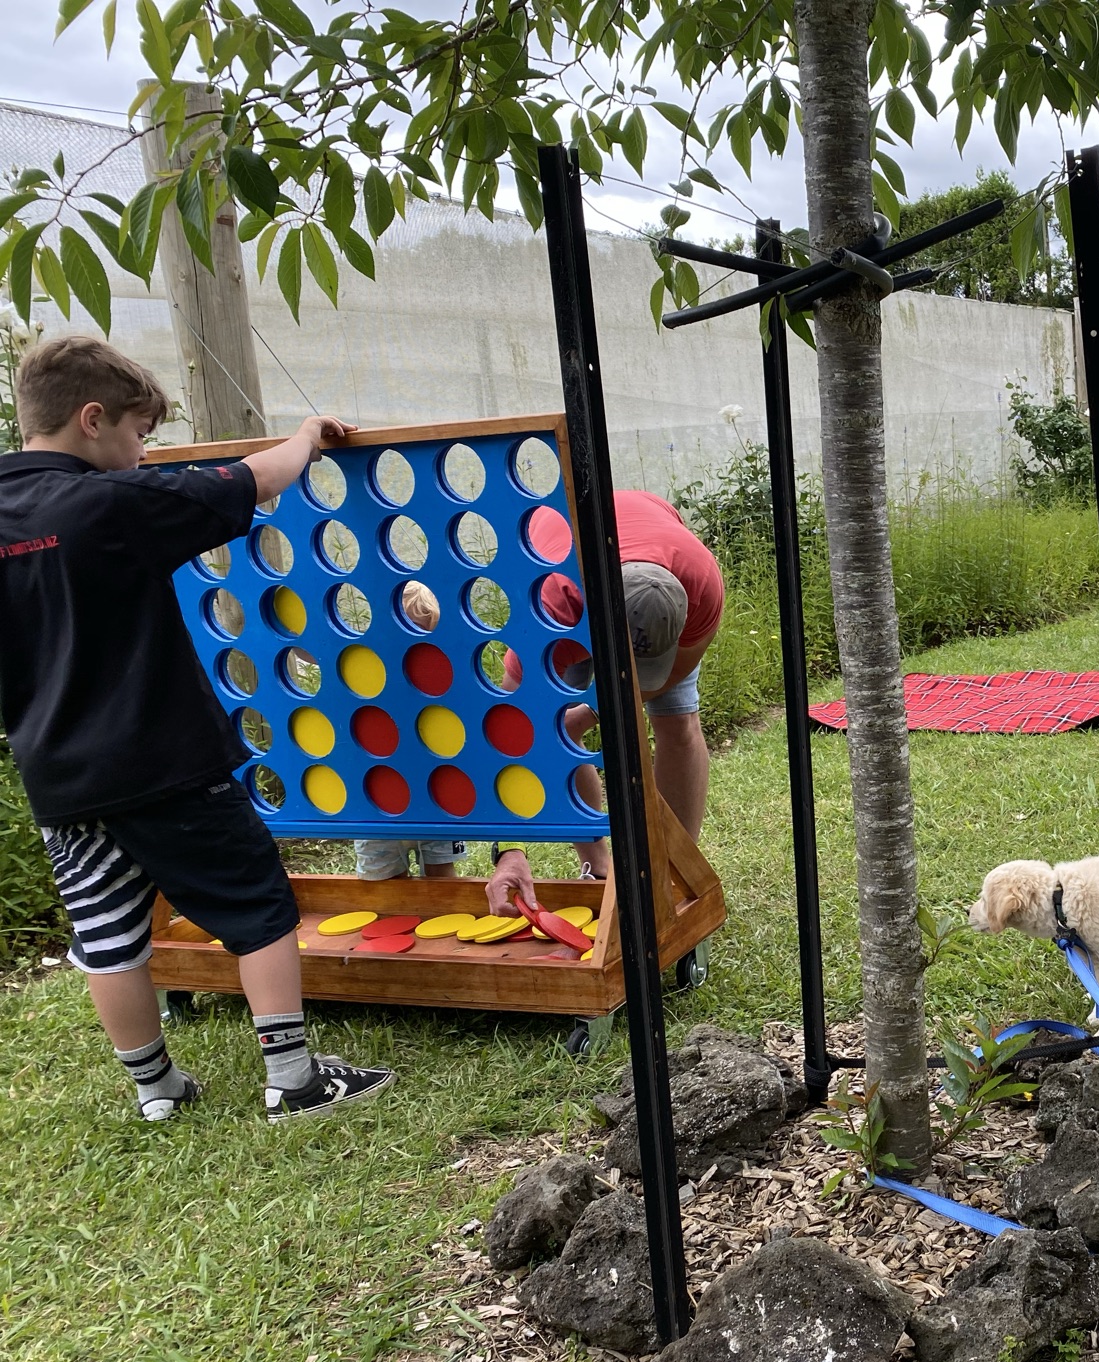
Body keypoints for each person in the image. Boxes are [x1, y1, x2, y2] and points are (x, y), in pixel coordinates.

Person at [0, 336, 393, 1123]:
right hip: (165, 762)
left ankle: (157, 1093)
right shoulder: (109, 505)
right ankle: (295, 1079)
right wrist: (309, 436)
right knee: (259, 907)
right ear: (91, 419)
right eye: (139, 433)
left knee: (107, 934)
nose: (142, 452)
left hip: (58, 778)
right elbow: (256, 480)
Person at [488, 490, 724, 916]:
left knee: (678, 724)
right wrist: (509, 848)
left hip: (652, 545)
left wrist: (593, 711)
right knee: (555, 730)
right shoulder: (549, 605)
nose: (634, 673)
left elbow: (666, 677)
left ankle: (674, 872)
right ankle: (597, 867)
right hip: (566, 566)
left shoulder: (701, 584)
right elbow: (513, 731)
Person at [353, 582, 464, 881]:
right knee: (384, 883)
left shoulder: (441, 673)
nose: (410, 644)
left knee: (444, 878)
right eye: (400, 631)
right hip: (377, 800)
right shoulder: (365, 668)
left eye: (421, 633)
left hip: (435, 799)